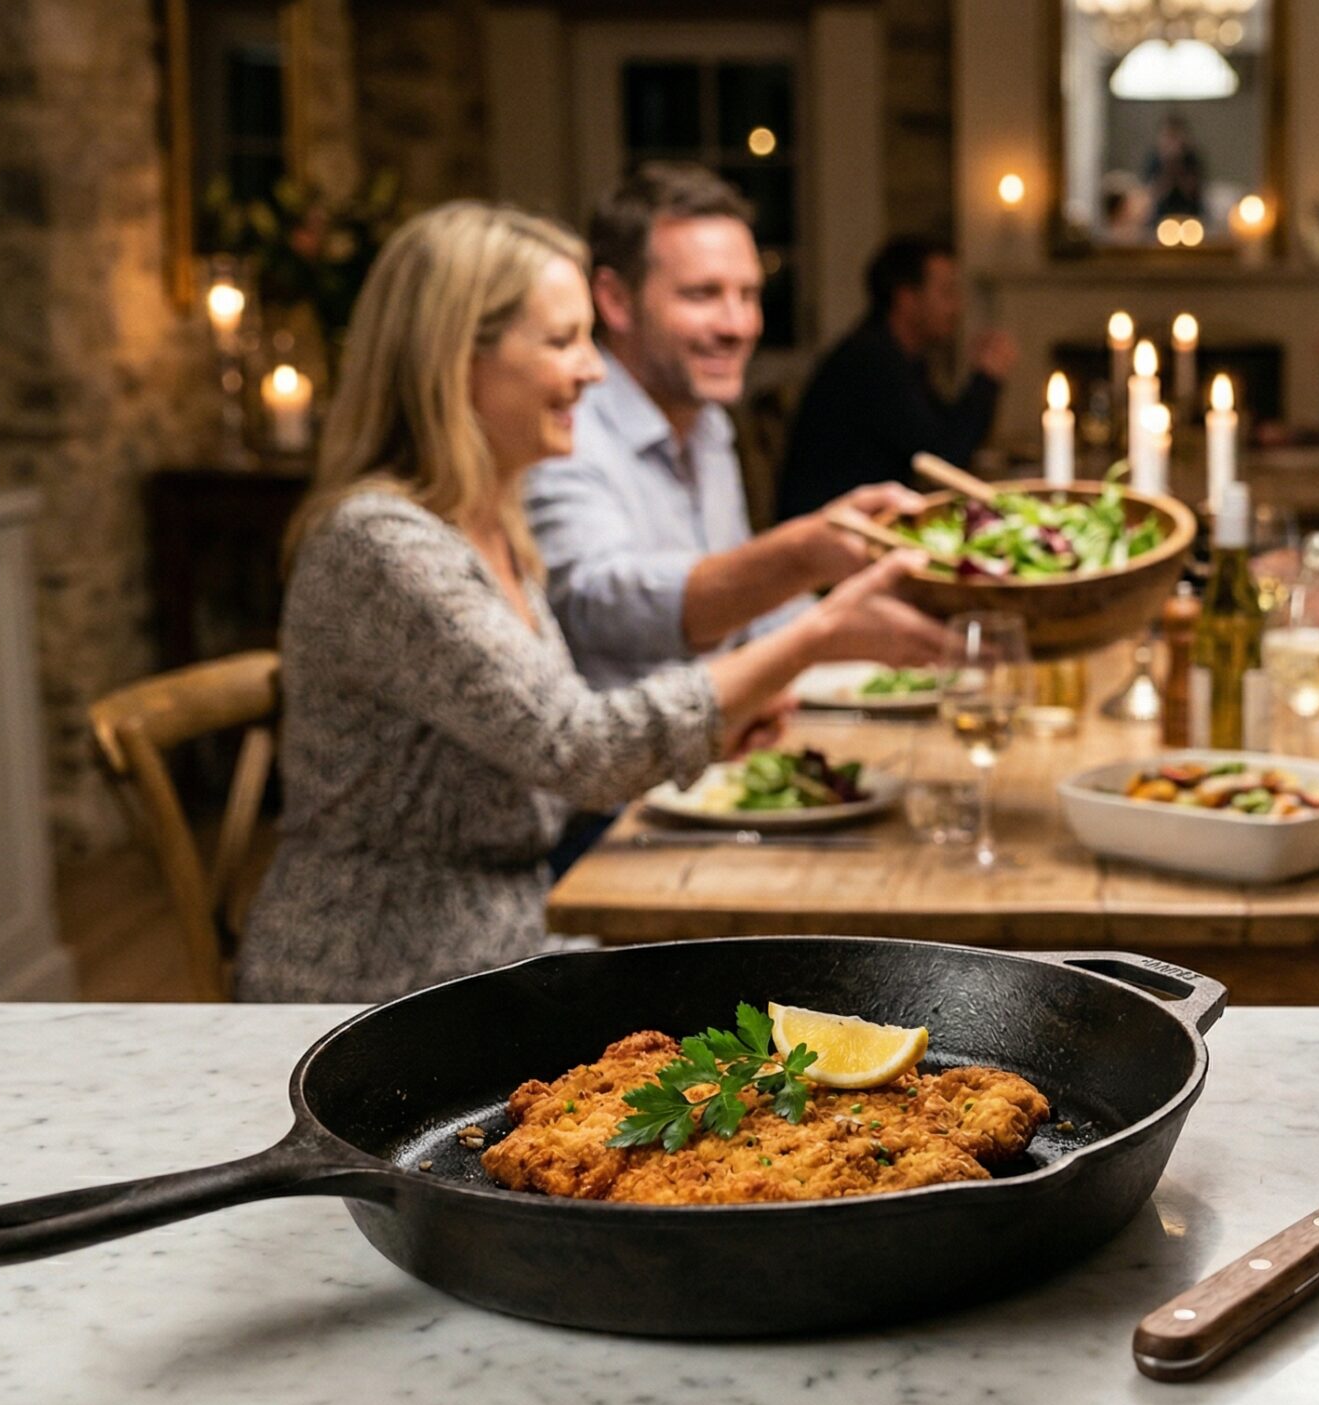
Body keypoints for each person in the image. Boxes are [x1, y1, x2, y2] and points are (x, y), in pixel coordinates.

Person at [239, 203, 942, 1003]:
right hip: (389, 971)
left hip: (510, 929)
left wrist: (719, 728)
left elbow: (546, 743)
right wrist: (817, 632)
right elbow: (578, 751)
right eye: (563, 341)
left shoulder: (487, 521)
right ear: (457, 358)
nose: (594, 370)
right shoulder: (384, 544)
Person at [528, 164, 934, 692]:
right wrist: (798, 556)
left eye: (748, 295)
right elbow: (598, 605)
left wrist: (898, 619)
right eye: (702, 295)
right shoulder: (564, 425)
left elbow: (749, 619)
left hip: (729, 746)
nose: (738, 326)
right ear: (616, 301)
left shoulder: (708, 423)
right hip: (633, 764)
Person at [775, 236, 1016, 520]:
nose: (957, 307)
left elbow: (944, 432)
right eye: (947, 293)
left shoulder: (901, 356)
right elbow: (944, 459)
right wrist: (986, 379)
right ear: (907, 299)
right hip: (831, 531)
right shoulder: (871, 361)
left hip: (866, 519)